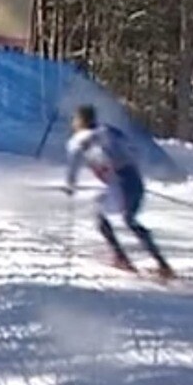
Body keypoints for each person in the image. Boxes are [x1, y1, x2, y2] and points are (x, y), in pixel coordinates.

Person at [65, 104, 174, 279]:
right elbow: (133, 150)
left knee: (104, 216)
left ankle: (122, 258)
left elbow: (74, 166)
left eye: (75, 120)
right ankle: (161, 264)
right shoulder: (109, 130)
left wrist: (71, 185)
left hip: (119, 182)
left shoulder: (79, 140)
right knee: (128, 219)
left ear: (80, 121)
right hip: (133, 179)